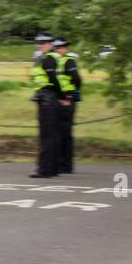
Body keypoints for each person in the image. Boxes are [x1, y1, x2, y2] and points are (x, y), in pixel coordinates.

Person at [29, 33, 61, 178]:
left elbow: (54, 80)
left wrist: (61, 96)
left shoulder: (48, 59)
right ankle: (52, 168)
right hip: (48, 97)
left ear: (50, 44)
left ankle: (44, 169)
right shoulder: (49, 57)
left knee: (46, 135)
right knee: (51, 134)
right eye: (39, 43)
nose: (40, 45)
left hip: (47, 98)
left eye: (43, 43)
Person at [51, 38, 82, 175]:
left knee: (65, 133)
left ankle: (66, 165)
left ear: (65, 48)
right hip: (58, 100)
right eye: (57, 48)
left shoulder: (69, 61)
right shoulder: (56, 61)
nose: (59, 50)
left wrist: (71, 95)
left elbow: (76, 79)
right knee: (58, 133)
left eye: (61, 47)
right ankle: (60, 163)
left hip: (67, 101)